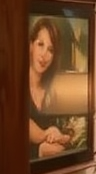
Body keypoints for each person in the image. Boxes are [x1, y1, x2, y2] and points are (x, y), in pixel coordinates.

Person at [29, 17, 72, 159]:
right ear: (31, 46)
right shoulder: (14, 86)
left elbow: (68, 138)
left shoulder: (54, 91)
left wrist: (58, 135)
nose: (44, 55)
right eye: (40, 44)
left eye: (50, 50)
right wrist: (48, 134)